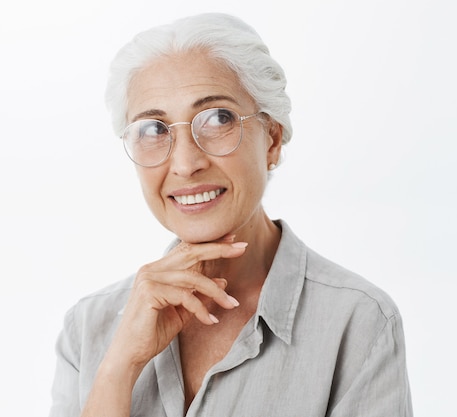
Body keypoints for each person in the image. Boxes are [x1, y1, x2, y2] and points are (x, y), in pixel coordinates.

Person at [49, 12, 413, 417]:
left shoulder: (358, 322)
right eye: (154, 129)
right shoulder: (88, 327)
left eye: (218, 118)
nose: (186, 164)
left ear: (272, 140)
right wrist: (117, 370)